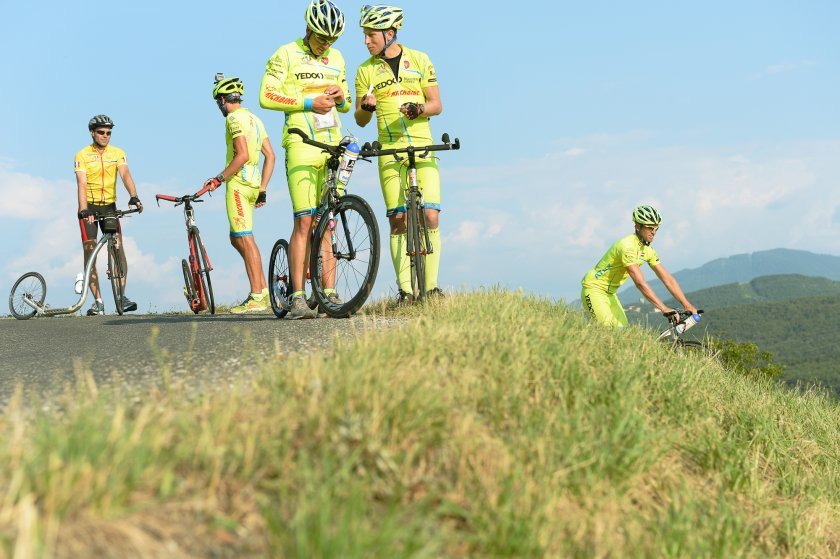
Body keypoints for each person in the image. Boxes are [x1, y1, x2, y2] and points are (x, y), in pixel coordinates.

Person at [259, 0, 351, 319]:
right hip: (301, 144)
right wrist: (308, 102)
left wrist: (342, 97)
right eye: (322, 37)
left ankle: (329, 294)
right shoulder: (285, 53)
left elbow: (347, 103)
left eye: (332, 39)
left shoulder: (337, 57)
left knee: (327, 225)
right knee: (304, 221)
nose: (326, 44)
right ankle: (298, 296)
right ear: (309, 28)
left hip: (332, 145)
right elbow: (266, 95)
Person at [354, 4, 444, 304]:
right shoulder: (365, 70)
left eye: (371, 35)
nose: (367, 41)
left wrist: (419, 109)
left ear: (390, 33)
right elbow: (360, 120)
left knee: (430, 216)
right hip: (389, 150)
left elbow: (436, 104)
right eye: (365, 36)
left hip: (422, 145)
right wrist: (365, 109)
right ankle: (406, 291)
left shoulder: (420, 60)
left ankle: (431, 288)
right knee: (398, 220)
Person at [204, 75, 276, 314]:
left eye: (219, 102)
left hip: (238, 184)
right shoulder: (255, 118)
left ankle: (257, 295)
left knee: (245, 238)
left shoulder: (233, 119)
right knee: (238, 238)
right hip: (255, 184)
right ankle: (263, 290)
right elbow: (271, 156)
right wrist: (263, 188)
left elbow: (242, 154)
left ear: (223, 100)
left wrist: (218, 178)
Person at [581, 205, 698, 328]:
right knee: (612, 331)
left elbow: (668, 279)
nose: (653, 232)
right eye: (649, 228)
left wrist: (687, 305)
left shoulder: (648, 250)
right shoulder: (626, 246)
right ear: (637, 226)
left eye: (656, 228)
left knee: (624, 335)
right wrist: (663, 308)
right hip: (594, 289)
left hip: (610, 294)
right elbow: (640, 283)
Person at [74, 114, 143, 316]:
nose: (106, 136)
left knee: (118, 250)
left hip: (109, 207)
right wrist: (83, 209)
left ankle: (121, 296)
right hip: (90, 208)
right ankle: (98, 302)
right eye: (102, 132)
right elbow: (82, 183)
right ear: (92, 133)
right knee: (90, 251)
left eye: (109, 133)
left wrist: (134, 196)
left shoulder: (118, 153)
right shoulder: (82, 155)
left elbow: (125, 174)